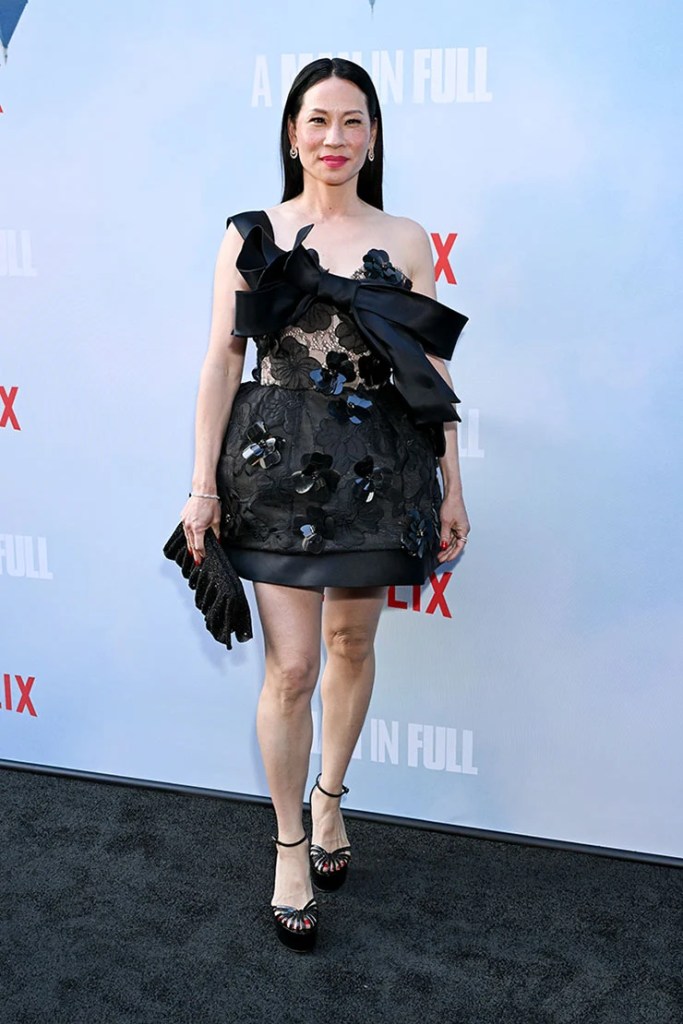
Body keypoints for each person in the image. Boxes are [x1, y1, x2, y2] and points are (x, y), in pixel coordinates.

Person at [180, 57, 470, 952]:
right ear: (291, 132)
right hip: (272, 471)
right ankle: (288, 845)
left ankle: (331, 798)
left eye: (352, 121)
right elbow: (222, 360)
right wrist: (201, 485)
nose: (334, 138)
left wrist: (454, 484)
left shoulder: (407, 238)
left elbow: (429, 372)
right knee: (292, 668)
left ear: (373, 137)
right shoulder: (251, 234)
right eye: (317, 120)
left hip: (379, 473)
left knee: (351, 643)